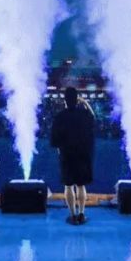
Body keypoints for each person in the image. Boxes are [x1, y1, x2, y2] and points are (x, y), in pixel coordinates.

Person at [50, 87, 95, 225]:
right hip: (82, 154)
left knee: (68, 186)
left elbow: (54, 140)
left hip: (66, 155)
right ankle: (82, 214)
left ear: (65, 100)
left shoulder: (60, 117)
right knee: (81, 185)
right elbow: (93, 118)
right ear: (77, 100)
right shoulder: (84, 114)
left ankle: (73, 215)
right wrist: (85, 102)